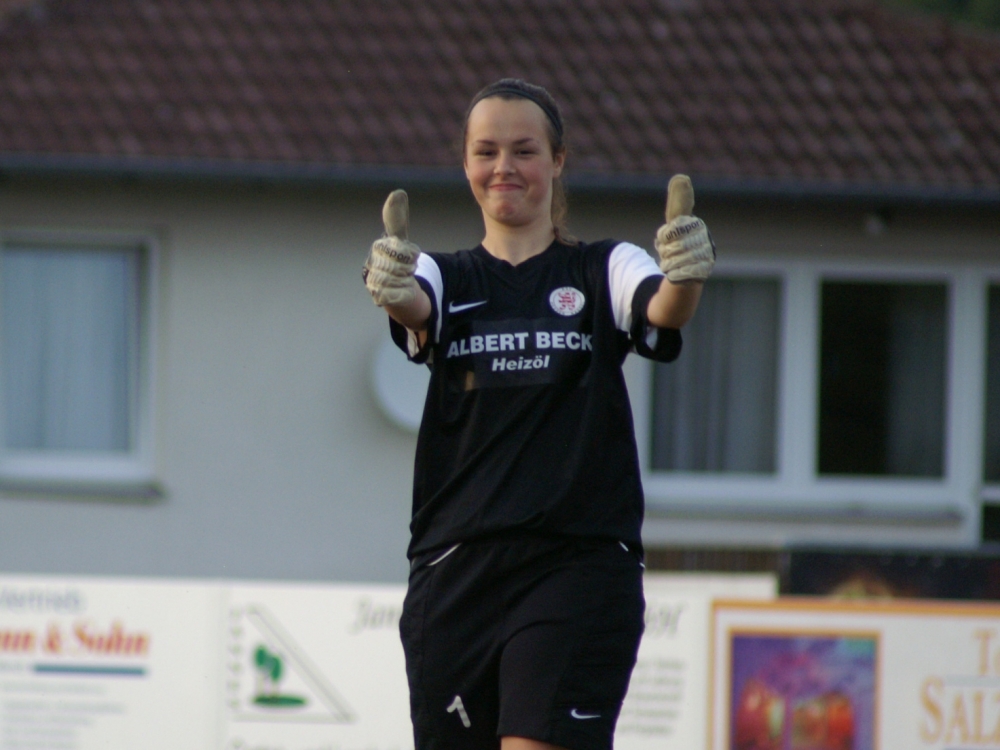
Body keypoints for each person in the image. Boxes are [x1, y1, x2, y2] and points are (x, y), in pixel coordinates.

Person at [362, 78, 714, 750]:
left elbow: (661, 307)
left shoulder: (604, 266)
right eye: (486, 152)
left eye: (524, 151)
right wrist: (392, 285)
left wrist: (686, 275)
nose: (504, 167)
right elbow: (415, 305)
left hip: (577, 563)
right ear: (466, 165)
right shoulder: (444, 275)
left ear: (557, 161)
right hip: (454, 573)